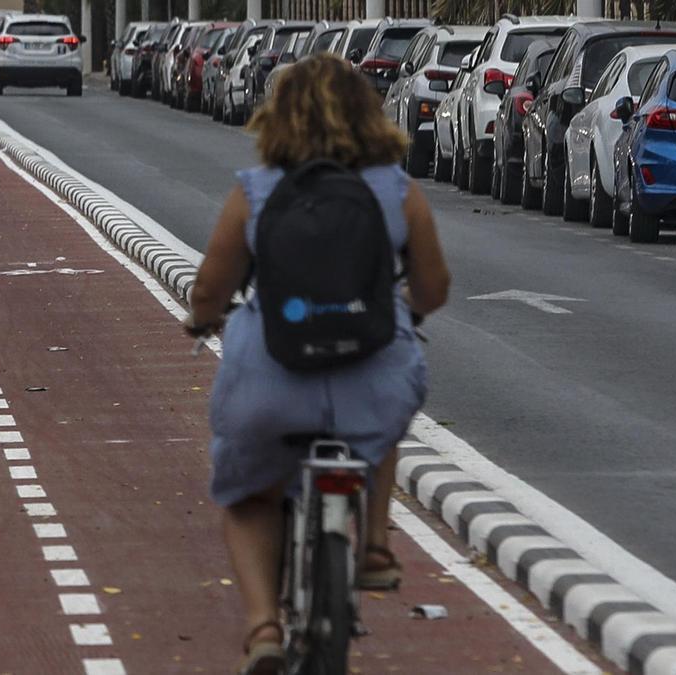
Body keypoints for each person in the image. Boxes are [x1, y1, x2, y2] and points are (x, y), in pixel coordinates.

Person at [185, 53, 450, 675]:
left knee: (251, 497)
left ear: (277, 119)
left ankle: (263, 630)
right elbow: (434, 290)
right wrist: (397, 312)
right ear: (369, 115)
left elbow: (209, 293)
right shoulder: (397, 191)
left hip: (268, 378)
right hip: (373, 377)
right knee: (382, 423)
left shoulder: (256, 191)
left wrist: (201, 320)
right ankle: (377, 547)